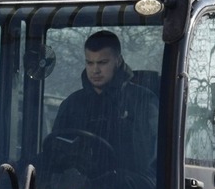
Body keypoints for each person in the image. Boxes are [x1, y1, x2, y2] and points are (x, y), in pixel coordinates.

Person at [48, 30, 158, 179]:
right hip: (78, 187)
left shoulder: (142, 101)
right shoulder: (72, 104)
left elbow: (145, 160)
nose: (95, 70)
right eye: (90, 62)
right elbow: (55, 151)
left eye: (102, 63)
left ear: (118, 61)